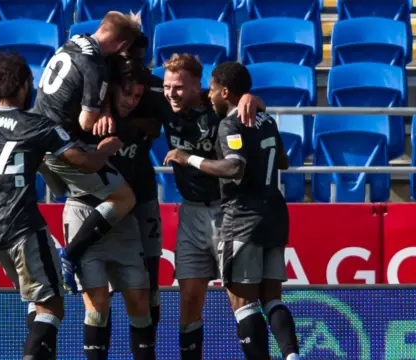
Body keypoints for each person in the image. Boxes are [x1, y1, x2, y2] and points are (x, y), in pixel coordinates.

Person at [0, 52, 124, 360]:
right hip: (25, 231)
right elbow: (86, 165)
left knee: (38, 302)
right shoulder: (37, 126)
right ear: (22, 85)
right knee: (52, 305)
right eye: (30, 83)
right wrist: (105, 149)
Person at [165, 61, 300, 360]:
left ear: (222, 91)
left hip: (240, 217)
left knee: (244, 304)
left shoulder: (229, 122)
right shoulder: (265, 120)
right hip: (274, 215)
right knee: (271, 300)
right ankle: (293, 356)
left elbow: (234, 167)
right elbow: (283, 162)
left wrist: (189, 159)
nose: (208, 96)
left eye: (211, 90)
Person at [157, 54, 266, 360]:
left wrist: (253, 99)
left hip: (227, 211)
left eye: (178, 87)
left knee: (239, 299)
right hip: (189, 212)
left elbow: (255, 113)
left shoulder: (217, 108)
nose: (170, 93)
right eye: (167, 87)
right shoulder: (162, 103)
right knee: (189, 299)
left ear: (198, 87)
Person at [32, 11, 144, 292]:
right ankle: (68, 256)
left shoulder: (75, 41)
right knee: (124, 197)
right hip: (61, 146)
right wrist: (105, 125)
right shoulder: (95, 66)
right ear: (122, 46)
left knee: (87, 191)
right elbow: (86, 122)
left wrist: (103, 104)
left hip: (38, 136)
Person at [63, 55, 156, 360]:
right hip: (84, 213)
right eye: (126, 93)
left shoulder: (139, 118)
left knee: (139, 301)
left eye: (138, 95)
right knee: (97, 304)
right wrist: (100, 112)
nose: (131, 100)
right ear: (112, 88)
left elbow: (158, 117)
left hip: (124, 220)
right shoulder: (85, 116)